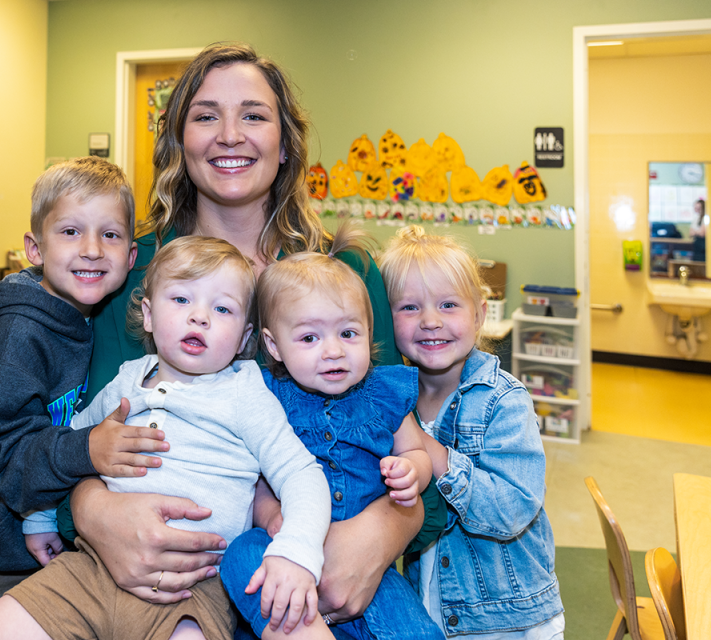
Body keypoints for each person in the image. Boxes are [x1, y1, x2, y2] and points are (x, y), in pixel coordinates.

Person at [57, 43, 446, 630]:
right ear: (178, 142)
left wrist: (386, 532)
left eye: (254, 116)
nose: (230, 135)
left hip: (343, 601)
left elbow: (427, 454)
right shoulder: (131, 273)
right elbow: (72, 435)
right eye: (206, 115)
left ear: (285, 143)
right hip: (173, 596)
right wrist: (90, 513)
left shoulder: (349, 277)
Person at [0, 236, 332, 640]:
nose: (200, 317)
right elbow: (69, 444)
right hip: (92, 567)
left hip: (191, 588)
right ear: (147, 314)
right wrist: (38, 513)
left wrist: (298, 553)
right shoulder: (127, 378)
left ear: (245, 337)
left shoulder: (244, 393)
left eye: (222, 308)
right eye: (181, 300)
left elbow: (300, 473)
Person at [0, 157, 141, 640]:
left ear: (132, 256)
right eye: (70, 232)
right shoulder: (20, 332)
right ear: (35, 249)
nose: (92, 250)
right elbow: (11, 451)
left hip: (40, 545)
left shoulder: (87, 318)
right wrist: (88, 449)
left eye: (111, 235)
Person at [220, 227, 445, 640]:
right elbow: (252, 476)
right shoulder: (264, 397)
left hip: (365, 561)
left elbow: (418, 451)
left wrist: (411, 470)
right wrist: (273, 518)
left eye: (348, 333)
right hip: (287, 548)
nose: (334, 350)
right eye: (309, 337)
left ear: (368, 332)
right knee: (241, 558)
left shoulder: (383, 394)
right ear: (273, 345)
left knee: (412, 628)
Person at [379, 226, 565, 638]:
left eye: (448, 305)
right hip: (432, 611)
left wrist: (430, 452)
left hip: (509, 619)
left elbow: (514, 508)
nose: (430, 321)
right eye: (409, 307)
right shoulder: (393, 401)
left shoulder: (504, 401)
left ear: (479, 314)